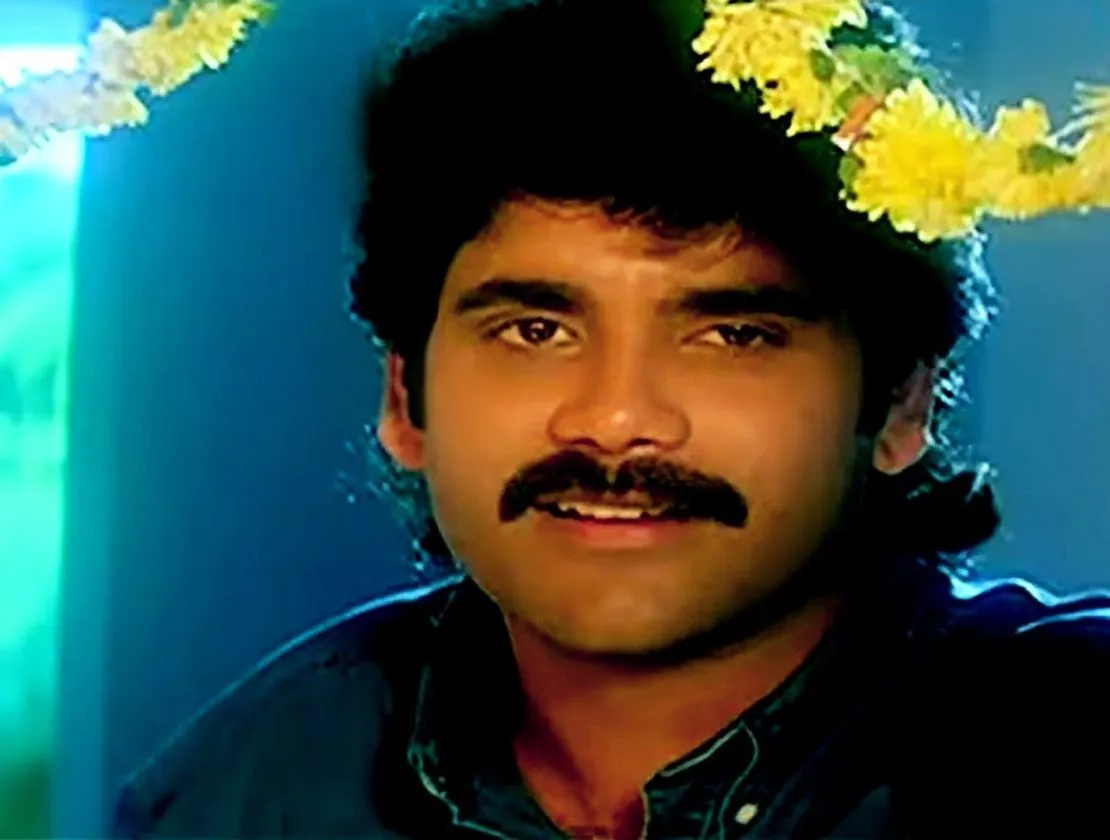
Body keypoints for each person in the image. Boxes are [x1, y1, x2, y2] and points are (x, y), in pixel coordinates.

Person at [113, 1, 1110, 838]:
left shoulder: (1068, 750)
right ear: (404, 399)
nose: (618, 418)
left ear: (900, 402)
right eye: (535, 330)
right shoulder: (248, 792)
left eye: (734, 335)